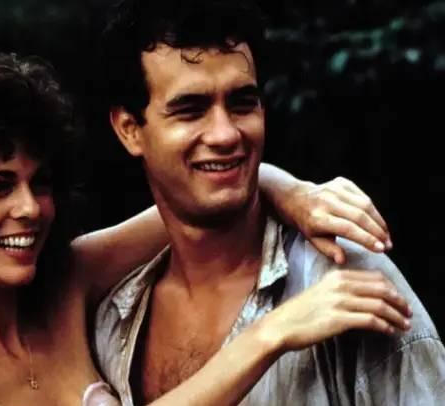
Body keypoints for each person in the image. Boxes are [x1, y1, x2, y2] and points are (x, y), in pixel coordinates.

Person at [0, 54, 399, 406]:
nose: (30, 208)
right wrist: (270, 335)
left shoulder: (65, 283)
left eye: (39, 183)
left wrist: (296, 194)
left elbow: (196, 201)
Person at [94, 0, 445, 405]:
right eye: (191, 110)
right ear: (129, 130)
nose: (225, 134)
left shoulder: (345, 281)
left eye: (242, 103)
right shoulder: (112, 319)